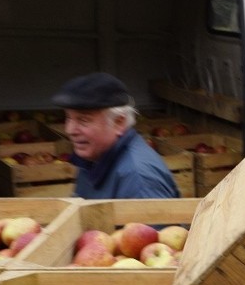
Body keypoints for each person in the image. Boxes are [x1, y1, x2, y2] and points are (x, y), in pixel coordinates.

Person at [51, 72, 180, 199]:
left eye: (83, 120)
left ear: (119, 122)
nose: (70, 130)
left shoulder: (138, 178)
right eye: (68, 118)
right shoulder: (93, 159)